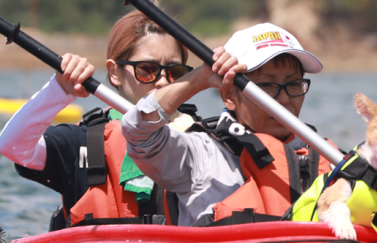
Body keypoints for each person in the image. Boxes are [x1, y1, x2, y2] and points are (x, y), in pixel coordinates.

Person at [0, 9, 195, 230]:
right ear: (114, 73)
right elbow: (13, 147)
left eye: (175, 72)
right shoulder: (84, 141)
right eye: (147, 70)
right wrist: (59, 90)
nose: (162, 82)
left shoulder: (202, 139)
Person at [120, 22, 332, 227]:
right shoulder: (199, 155)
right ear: (229, 95)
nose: (284, 99)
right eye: (266, 85)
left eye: (293, 84)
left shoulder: (327, 158)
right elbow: (138, 133)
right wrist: (200, 78)